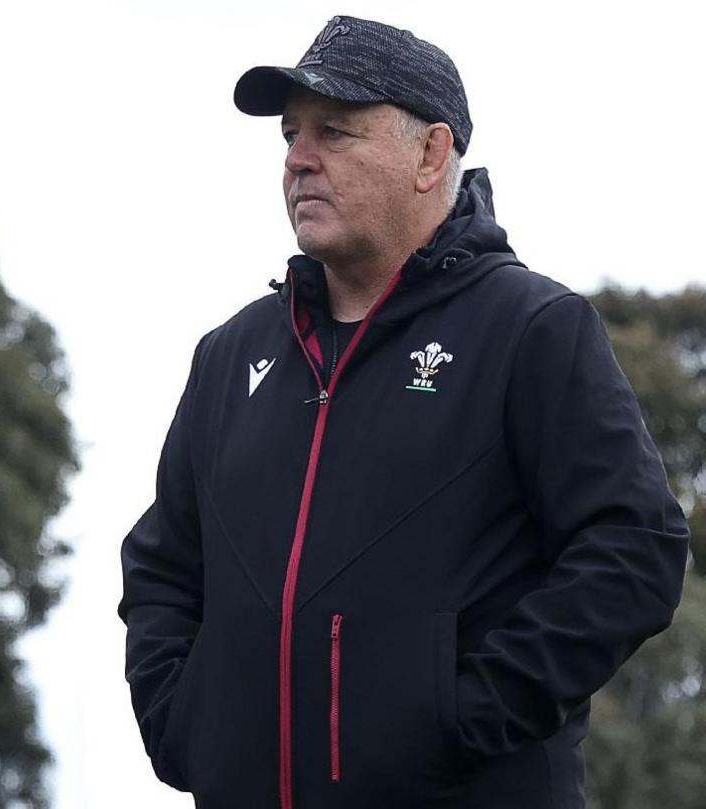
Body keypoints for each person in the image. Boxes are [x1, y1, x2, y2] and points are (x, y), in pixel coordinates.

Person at [118, 15, 689, 809]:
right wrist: (186, 724)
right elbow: (162, 568)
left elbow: (636, 548)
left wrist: (461, 717)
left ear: (430, 154)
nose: (298, 159)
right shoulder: (229, 353)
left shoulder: (532, 329)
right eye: (289, 135)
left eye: (335, 132)